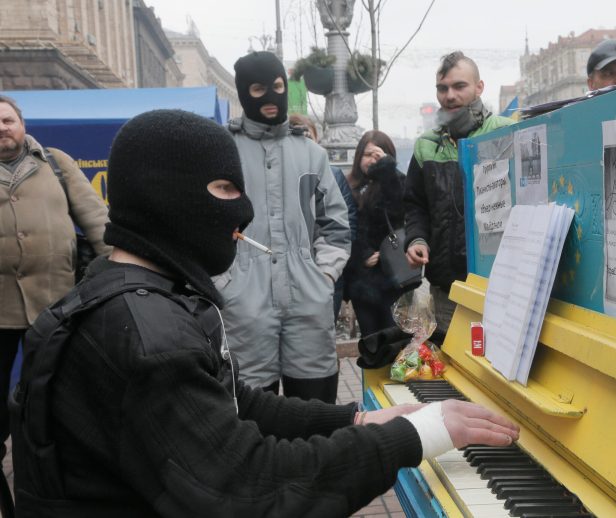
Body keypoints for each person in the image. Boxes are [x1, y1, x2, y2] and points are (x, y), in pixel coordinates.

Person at [10, 109, 521, 517]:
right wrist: (416, 436)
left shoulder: (141, 294)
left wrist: (359, 418)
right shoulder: (147, 335)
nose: (242, 212)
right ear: (168, 197)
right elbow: (249, 486)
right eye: (226, 191)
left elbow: (235, 406)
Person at [220, 51, 350, 404]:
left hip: (307, 297)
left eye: (277, 86)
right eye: (259, 89)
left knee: (314, 408)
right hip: (243, 301)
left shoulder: (311, 154)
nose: (270, 97)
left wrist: (323, 275)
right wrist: (224, 281)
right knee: (251, 409)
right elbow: (202, 221)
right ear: (245, 92)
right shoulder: (223, 151)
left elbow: (335, 223)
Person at [0, 95, 110, 445]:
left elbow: (96, 220)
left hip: (56, 303)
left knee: (59, 391)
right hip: (0, 309)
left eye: (7, 120)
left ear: (22, 125)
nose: (1, 128)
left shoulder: (56, 163)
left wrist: (119, 270)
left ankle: (56, 461)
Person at [404, 51, 513, 344]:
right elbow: (415, 205)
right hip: (447, 288)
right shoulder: (426, 146)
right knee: (453, 372)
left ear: (479, 87)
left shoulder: (507, 133)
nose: (449, 95)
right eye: (442, 88)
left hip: (501, 288)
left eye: (459, 86)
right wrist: (416, 239)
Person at [288, 113, 358, 321]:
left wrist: (328, 271)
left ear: (317, 138)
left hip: (326, 269)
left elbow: (346, 220)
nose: (304, 142)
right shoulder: (281, 174)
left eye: (308, 136)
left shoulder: (333, 174)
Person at [345, 130, 408, 337]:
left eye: (378, 154)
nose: (372, 159)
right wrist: (360, 255)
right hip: (362, 280)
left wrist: (386, 171)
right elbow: (345, 226)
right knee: (370, 340)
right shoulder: (348, 185)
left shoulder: (396, 181)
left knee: (394, 337)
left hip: (393, 275)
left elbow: (399, 212)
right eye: (367, 154)